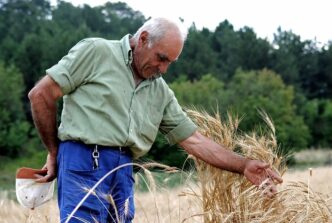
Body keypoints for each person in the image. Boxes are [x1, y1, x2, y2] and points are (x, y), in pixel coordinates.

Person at [28, 17, 283, 223]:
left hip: (123, 170)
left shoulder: (160, 91)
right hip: (83, 161)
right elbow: (41, 95)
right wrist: (54, 151)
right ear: (143, 39)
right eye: (161, 58)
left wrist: (244, 165)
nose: (164, 69)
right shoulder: (96, 52)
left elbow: (195, 140)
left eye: (170, 62)